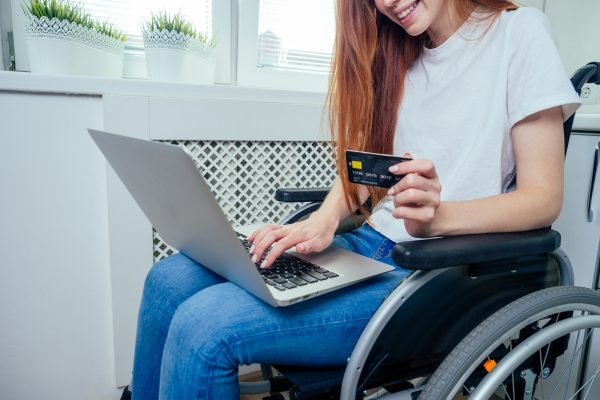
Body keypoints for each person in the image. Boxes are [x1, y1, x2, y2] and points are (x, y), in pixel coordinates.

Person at [130, 0, 580, 398]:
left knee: (206, 326)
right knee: (169, 281)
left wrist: (438, 218)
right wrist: (323, 220)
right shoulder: (402, 48)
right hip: (367, 247)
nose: (386, 3)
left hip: (435, 276)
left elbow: (543, 199)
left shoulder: (520, 34)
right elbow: (369, 173)